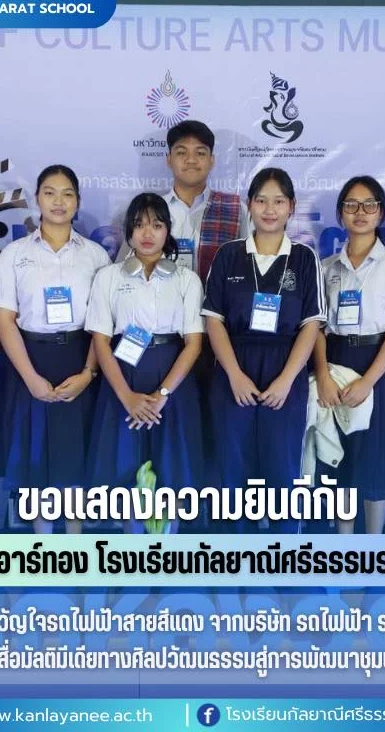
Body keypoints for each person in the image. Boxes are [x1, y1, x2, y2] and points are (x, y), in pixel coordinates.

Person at [202, 167, 325, 532]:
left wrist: (286, 380)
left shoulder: (304, 258)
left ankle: (282, 556)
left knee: (282, 469)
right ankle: (233, 557)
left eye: (278, 201)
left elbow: (311, 325)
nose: (270, 210)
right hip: (234, 366)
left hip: (286, 366)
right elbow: (214, 321)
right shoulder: (229, 255)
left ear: (292, 207)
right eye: (261, 201)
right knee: (232, 468)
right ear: (249, 206)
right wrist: (234, 375)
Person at [0, 165, 110, 534]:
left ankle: (74, 544)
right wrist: (30, 377)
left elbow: (103, 323)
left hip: (80, 356)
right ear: (37, 199)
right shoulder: (14, 255)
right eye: (49, 192)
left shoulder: (96, 256)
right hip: (30, 359)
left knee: (75, 457)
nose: (59, 201)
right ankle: (43, 546)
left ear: (78, 201)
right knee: (35, 457)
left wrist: (89, 373)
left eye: (67, 193)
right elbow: (4, 320)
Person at [86, 193, 204, 531]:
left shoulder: (186, 279)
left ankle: (170, 553)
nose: (147, 233)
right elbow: (101, 341)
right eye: (139, 225)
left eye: (156, 224)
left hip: (173, 385)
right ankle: (134, 553)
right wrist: (127, 397)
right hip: (123, 381)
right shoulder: (109, 277)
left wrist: (163, 394)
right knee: (126, 474)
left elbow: (194, 344)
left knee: (174, 473)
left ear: (168, 231)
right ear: (128, 231)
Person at [315, 176, 385, 533]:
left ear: (381, 212)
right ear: (340, 214)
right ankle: (344, 547)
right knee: (340, 456)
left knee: (378, 459)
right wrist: (323, 376)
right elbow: (316, 329)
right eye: (351, 205)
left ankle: (373, 547)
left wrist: (368, 382)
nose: (360, 212)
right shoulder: (326, 267)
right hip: (335, 362)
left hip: (380, 365)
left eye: (369, 204)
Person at [117, 119, 248, 284]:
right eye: (181, 152)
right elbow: (123, 269)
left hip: (214, 301)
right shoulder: (147, 211)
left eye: (200, 153)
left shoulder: (235, 209)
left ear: (212, 160)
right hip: (158, 298)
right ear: (169, 159)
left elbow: (249, 268)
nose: (191, 160)